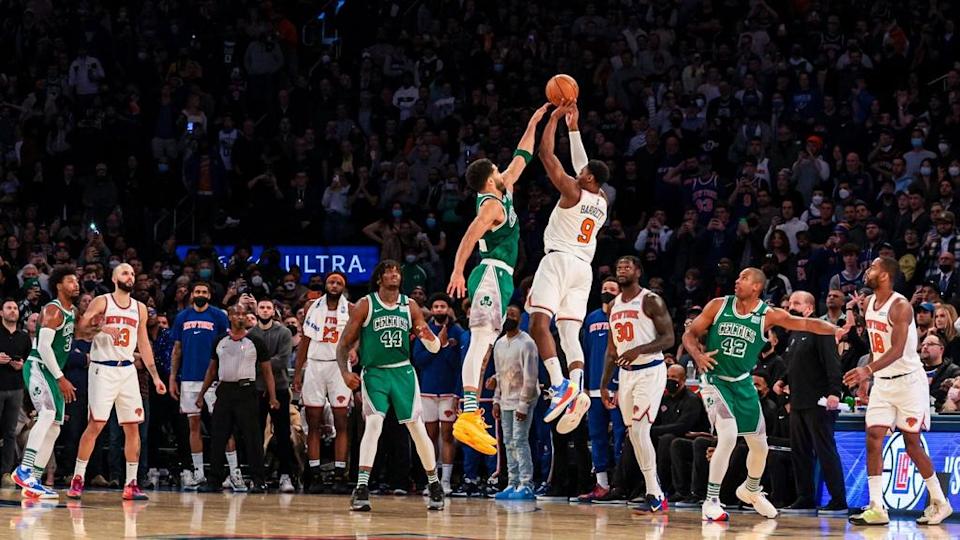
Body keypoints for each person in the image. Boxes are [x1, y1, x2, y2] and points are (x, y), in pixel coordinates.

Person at [682, 267, 842, 522]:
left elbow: (805, 323)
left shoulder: (767, 315)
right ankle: (711, 500)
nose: (737, 281)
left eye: (743, 278)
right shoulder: (718, 305)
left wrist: (834, 330)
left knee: (760, 446)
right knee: (728, 435)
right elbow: (689, 334)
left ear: (756, 286)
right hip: (715, 381)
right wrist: (698, 355)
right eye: (738, 278)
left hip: (742, 383)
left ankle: (751, 489)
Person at [446, 104, 549, 455]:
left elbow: (522, 156)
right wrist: (458, 270)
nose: (503, 170)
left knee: (485, 340)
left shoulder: (500, 189)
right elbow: (469, 237)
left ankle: (470, 413)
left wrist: (535, 120)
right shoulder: (491, 205)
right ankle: (469, 414)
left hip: (499, 277)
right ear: (491, 177)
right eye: (496, 168)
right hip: (489, 273)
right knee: (478, 340)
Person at [844, 257, 954, 526]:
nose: (868, 271)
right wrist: (866, 379)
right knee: (873, 436)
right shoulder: (869, 303)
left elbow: (896, 350)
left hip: (907, 381)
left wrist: (866, 371)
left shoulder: (901, 307)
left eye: (872, 268)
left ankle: (941, 502)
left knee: (912, 444)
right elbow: (876, 345)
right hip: (882, 381)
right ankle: (876, 507)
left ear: (885, 276)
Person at [338, 260, 445, 512]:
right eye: (388, 272)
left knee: (416, 427)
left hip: (403, 371)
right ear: (379, 279)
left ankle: (434, 484)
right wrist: (344, 373)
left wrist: (431, 339)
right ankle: (362, 486)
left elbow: (427, 337)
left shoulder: (410, 305)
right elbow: (343, 344)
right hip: (374, 373)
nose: (394, 274)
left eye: (397, 271)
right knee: (373, 424)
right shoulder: (366, 304)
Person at [530, 101, 610, 434]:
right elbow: (584, 166)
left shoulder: (573, 190)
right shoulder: (601, 200)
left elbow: (546, 156)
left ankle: (559, 383)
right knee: (567, 333)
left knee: (537, 323)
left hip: (559, 260)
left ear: (587, 177)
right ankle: (576, 385)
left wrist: (553, 119)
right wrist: (574, 128)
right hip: (583, 269)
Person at [68, 263, 167, 501]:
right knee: (96, 424)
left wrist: (155, 377)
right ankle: (78, 478)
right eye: (125, 272)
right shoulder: (102, 301)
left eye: (132, 273)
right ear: (114, 278)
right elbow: (80, 328)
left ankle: (131, 483)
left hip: (128, 371)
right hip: (103, 368)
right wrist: (102, 325)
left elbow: (143, 344)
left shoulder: (140, 308)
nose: (130, 276)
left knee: (133, 427)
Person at [599, 256, 674, 513]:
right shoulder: (614, 306)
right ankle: (653, 491)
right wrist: (604, 383)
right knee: (634, 434)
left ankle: (654, 492)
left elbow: (668, 339)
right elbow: (612, 349)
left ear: (638, 272)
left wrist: (639, 349)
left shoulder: (650, 300)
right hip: (626, 374)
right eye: (618, 266)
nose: (621, 270)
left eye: (627, 266)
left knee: (641, 431)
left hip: (650, 371)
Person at [776, 291, 847, 515]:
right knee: (800, 452)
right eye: (790, 303)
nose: (790, 307)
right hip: (798, 402)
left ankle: (838, 499)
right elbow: (795, 364)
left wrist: (835, 392)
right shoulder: (795, 333)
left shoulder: (821, 329)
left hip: (819, 402)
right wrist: (782, 380)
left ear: (809, 308)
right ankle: (805, 497)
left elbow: (833, 364)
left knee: (825, 450)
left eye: (796, 303)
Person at [11, 266, 78, 498]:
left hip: (53, 370)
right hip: (40, 366)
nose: (76, 285)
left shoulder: (72, 311)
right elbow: (43, 347)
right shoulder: (53, 310)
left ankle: (33, 482)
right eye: (71, 281)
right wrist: (61, 378)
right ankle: (24, 469)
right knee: (47, 414)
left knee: (55, 427)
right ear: (59, 285)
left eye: (76, 281)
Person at [197, 304, 278, 493]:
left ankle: (259, 481)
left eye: (244, 314)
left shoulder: (255, 341)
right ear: (230, 317)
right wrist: (202, 393)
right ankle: (214, 480)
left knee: (252, 437)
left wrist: (273, 396)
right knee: (218, 436)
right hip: (224, 391)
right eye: (237, 314)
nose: (240, 317)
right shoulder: (220, 340)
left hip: (246, 391)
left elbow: (267, 371)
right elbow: (212, 370)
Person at [168, 281, 232, 490]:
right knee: (193, 426)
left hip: (214, 379)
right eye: (197, 291)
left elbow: (228, 346)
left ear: (210, 295)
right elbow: (177, 350)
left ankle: (232, 472)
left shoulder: (219, 316)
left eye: (204, 291)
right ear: (192, 294)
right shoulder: (182, 317)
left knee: (223, 426)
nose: (201, 294)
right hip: (188, 378)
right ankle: (198, 473)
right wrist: (172, 378)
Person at [294, 272, 353, 493]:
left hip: (339, 366)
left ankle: (340, 475)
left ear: (344, 287)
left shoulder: (352, 309)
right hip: (315, 365)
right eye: (331, 282)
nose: (334, 285)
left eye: (339, 283)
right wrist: (298, 372)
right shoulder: (311, 306)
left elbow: (357, 337)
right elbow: (304, 341)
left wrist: (354, 351)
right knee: (313, 422)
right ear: (326, 285)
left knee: (341, 422)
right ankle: (315, 474)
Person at [577, 277, 625, 502]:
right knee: (596, 436)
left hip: (618, 387)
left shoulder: (625, 315)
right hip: (594, 388)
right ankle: (602, 484)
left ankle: (621, 484)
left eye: (612, 289)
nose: (607, 292)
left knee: (619, 435)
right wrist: (584, 385)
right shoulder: (592, 318)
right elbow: (584, 352)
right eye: (604, 289)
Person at [412, 293, 465, 495]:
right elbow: (419, 359)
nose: (439, 310)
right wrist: (438, 347)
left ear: (449, 309)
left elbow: (458, 364)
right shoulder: (424, 330)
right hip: (427, 390)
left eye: (443, 306)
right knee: (430, 435)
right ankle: (431, 481)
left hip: (449, 391)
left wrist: (445, 348)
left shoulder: (458, 332)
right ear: (431, 309)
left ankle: (446, 481)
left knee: (447, 435)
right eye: (436, 306)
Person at [491, 305, 539, 500]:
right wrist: (496, 399)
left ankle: (526, 484)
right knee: (508, 441)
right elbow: (499, 374)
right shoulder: (499, 343)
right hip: (505, 399)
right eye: (507, 314)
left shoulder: (527, 343)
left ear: (520, 319)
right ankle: (512, 482)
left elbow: (531, 376)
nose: (509, 317)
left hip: (522, 398)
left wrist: (523, 404)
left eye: (513, 315)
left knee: (520, 440)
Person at [249, 299, 294, 493]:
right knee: (255, 433)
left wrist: (262, 364)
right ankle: (256, 476)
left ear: (273, 311)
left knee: (283, 433)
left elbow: (282, 361)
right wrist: (265, 364)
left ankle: (286, 475)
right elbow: (247, 361)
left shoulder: (284, 332)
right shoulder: (250, 334)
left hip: (281, 388)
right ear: (257, 310)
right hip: (257, 389)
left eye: (268, 308)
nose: (265, 311)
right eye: (262, 307)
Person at [0, 299, 30, 484]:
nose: (12, 311)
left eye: (14, 308)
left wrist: (22, 365)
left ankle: (6, 472)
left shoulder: (23, 337)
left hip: (16, 388)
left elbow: (30, 362)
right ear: (1, 313)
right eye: (8, 308)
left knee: (10, 432)